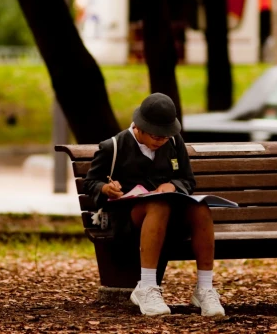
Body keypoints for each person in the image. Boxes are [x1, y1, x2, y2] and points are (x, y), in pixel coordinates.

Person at [84, 93, 225, 318]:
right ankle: (147, 287)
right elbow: (91, 182)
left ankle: (205, 288)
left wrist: (173, 185)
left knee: (201, 208)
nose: (161, 140)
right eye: (156, 136)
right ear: (139, 127)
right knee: (158, 205)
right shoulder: (114, 146)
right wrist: (105, 189)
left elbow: (188, 180)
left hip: (170, 214)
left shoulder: (174, 142)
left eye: (165, 136)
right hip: (129, 217)